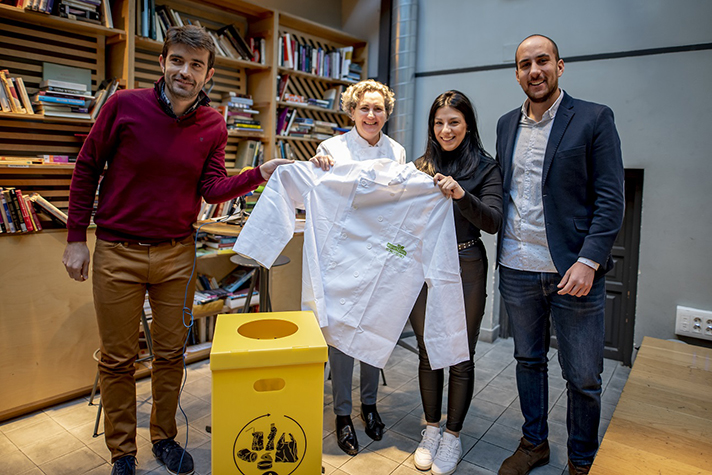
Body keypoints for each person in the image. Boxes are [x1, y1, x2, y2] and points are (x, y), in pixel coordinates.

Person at [62, 25, 291, 475]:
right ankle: (122, 453)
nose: (185, 71)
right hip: (117, 251)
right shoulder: (124, 106)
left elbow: (211, 186)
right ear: (163, 62)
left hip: (176, 254)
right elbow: (87, 167)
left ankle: (163, 437)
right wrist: (74, 238)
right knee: (118, 359)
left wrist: (259, 171)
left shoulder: (214, 124)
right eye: (178, 60)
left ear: (208, 76)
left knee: (170, 355)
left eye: (196, 65)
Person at [495, 35, 624, 475]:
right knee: (528, 362)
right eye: (525, 64)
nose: (534, 70)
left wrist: (589, 261)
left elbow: (611, 200)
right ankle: (534, 444)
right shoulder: (505, 123)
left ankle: (581, 461)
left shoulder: (593, 118)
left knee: (584, 377)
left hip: (573, 271)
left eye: (542, 61)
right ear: (516, 73)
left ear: (560, 66)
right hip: (517, 267)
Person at [310, 79, 406, 456]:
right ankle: (342, 414)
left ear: (386, 113)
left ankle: (370, 405)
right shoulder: (330, 148)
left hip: (381, 255)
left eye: (378, 109)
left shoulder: (396, 151)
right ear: (351, 111)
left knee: (374, 329)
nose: (371, 115)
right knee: (343, 338)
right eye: (364, 108)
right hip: (342, 255)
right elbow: (318, 193)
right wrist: (317, 168)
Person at [409, 91, 503, 475]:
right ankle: (430, 430)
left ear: (468, 125)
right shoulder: (417, 167)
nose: (445, 130)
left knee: (460, 354)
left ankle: (452, 435)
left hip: (466, 262)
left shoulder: (485, 167)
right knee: (429, 351)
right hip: (423, 266)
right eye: (439, 122)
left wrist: (462, 195)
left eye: (454, 122)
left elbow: (494, 221)